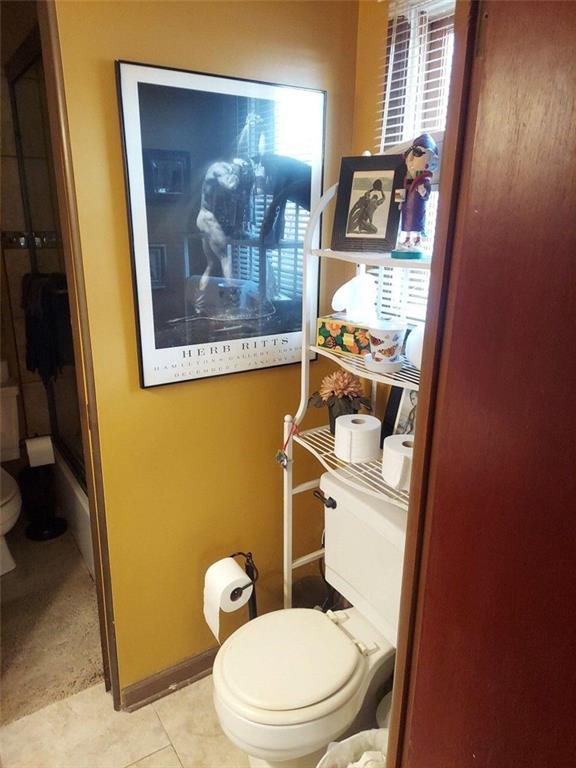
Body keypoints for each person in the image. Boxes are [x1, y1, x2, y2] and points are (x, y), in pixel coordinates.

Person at [398, 133, 439, 249]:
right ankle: (407, 238)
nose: (410, 160)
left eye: (417, 154)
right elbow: (402, 188)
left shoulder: (424, 180)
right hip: (407, 206)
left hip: (418, 206)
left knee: (417, 222)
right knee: (406, 222)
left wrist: (423, 192)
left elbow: (427, 195)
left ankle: (417, 239)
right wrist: (400, 201)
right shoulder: (407, 178)